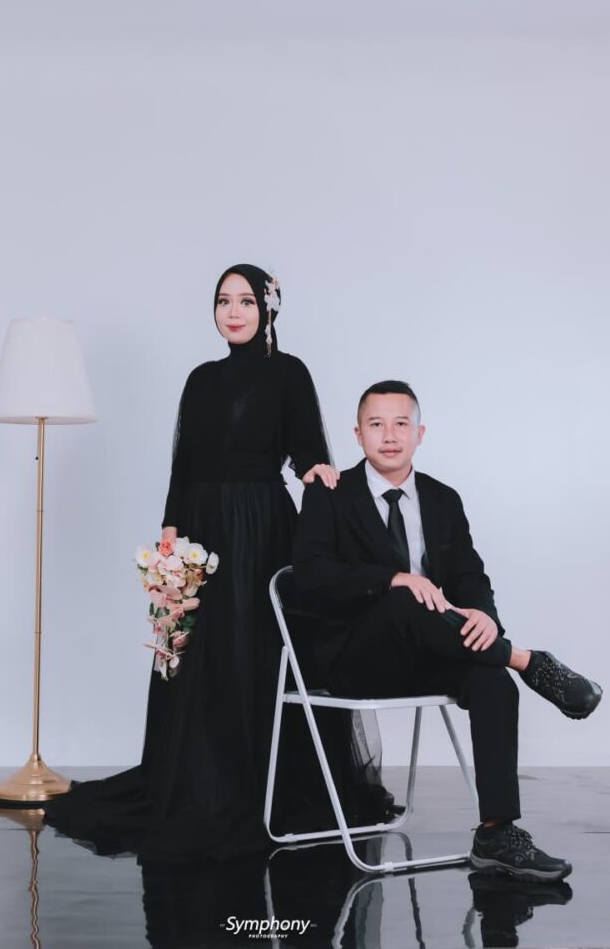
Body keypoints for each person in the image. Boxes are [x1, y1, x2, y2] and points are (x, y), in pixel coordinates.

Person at [43, 265, 387, 861]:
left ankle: (260, 785)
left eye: (246, 301)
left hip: (260, 527)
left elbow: (306, 450)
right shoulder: (200, 379)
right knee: (195, 652)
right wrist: (170, 535)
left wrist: (317, 471)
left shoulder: (288, 372)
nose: (233, 311)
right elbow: (184, 464)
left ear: (268, 309)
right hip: (201, 530)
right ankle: (197, 783)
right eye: (224, 301)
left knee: (252, 650)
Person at [293, 379, 602, 882]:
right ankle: (527, 661)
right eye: (376, 424)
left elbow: (469, 577)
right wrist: (393, 579)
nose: (389, 435)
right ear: (357, 434)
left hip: (427, 650)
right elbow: (310, 577)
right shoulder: (330, 494)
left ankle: (496, 835)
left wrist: (484, 615)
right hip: (355, 660)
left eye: (401, 424)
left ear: (420, 433)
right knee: (405, 595)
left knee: (492, 683)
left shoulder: (442, 499)